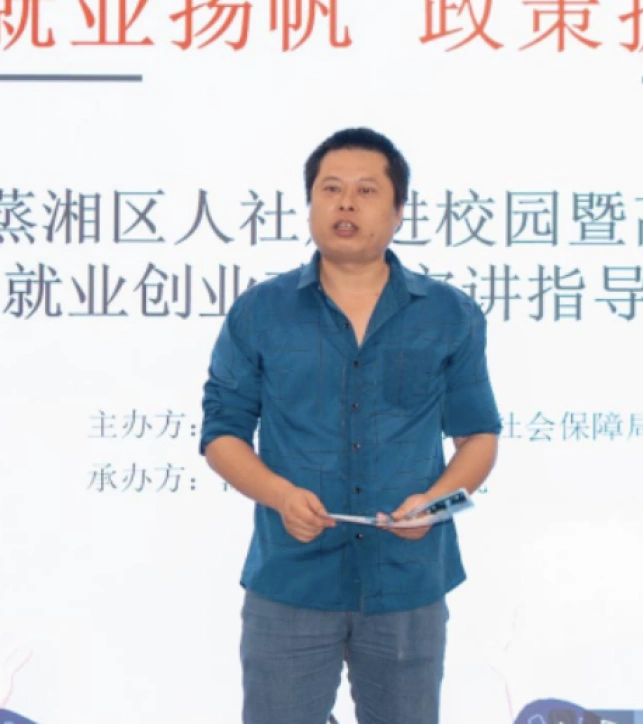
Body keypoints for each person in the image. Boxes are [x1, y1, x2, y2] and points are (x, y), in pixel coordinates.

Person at [199, 127, 501, 724]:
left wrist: (435, 505)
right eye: (330, 189)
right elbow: (221, 433)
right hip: (292, 578)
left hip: (407, 583)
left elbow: (478, 438)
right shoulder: (261, 311)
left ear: (398, 211)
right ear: (310, 203)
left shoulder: (449, 314)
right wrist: (281, 496)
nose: (346, 203)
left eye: (366, 190)